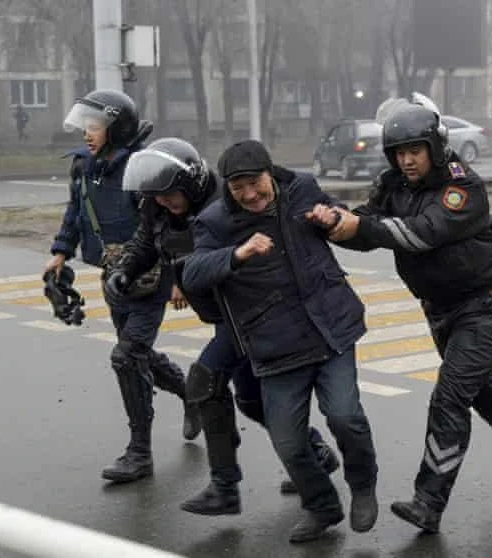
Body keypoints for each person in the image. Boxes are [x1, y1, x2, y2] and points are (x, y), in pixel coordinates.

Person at [306, 94, 492, 534]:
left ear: (435, 148)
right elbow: (366, 226)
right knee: (479, 392)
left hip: (483, 303)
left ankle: (429, 502)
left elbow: (422, 234)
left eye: (414, 151)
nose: (407, 161)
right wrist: (334, 223)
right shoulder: (393, 184)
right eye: (399, 152)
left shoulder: (463, 186)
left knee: (450, 397)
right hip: (439, 308)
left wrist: (361, 225)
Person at [102, 137, 339, 515]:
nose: (163, 202)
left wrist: (194, 273)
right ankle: (316, 452)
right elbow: (146, 242)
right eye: (156, 197)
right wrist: (125, 271)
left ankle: (225, 487)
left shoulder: (226, 206)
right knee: (252, 401)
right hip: (223, 315)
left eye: (169, 194)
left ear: (191, 182)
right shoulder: (158, 208)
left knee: (204, 381)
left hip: (253, 312)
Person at [182, 139, 379, 543]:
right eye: (238, 187)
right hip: (275, 343)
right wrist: (237, 254)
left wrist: (332, 218)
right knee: (287, 440)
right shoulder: (214, 221)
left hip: (330, 327)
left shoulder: (302, 188)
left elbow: (343, 221)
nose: (249, 194)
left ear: (270, 174)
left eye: (255, 183)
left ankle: (362, 485)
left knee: (345, 416)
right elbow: (193, 273)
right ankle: (322, 506)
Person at [44, 89, 201, 484]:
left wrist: (179, 278)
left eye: (94, 126)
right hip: (114, 276)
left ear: (117, 128)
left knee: (128, 357)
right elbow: (76, 211)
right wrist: (61, 251)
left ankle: (139, 453)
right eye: (85, 126)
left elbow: (171, 224)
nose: (86, 133)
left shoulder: (142, 168)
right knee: (138, 355)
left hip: (151, 277)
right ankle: (191, 393)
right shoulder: (84, 167)